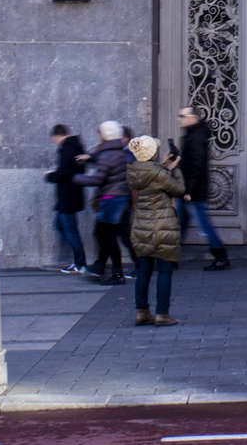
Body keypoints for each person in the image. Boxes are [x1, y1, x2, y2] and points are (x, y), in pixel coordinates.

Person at [126, 135, 185, 326]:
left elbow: (152, 178)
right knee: (165, 271)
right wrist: (174, 170)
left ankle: (141, 312)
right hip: (162, 227)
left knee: (144, 270)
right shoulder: (160, 174)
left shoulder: (135, 171)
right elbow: (178, 189)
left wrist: (163, 166)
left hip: (142, 227)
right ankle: (162, 314)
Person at [74, 120, 132, 285]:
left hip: (111, 200)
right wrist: (90, 157)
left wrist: (76, 178)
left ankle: (117, 273)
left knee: (108, 237)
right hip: (119, 198)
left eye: (99, 132)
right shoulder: (118, 151)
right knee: (103, 234)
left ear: (105, 135)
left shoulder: (107, 154)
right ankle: (102, 267)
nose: (98, 135)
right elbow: (102, 160)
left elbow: (99, 178)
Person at [177, 106, 229, 271]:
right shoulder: (192, 136)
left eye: (182, 116)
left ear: (192, 118)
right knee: (181, 222)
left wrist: (189, 191)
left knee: (203, 223)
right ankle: (170, 257)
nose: (179, 118)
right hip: (190, 187)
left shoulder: (196, 137)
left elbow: (196, 166)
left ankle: (221, 256)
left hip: (193, 189)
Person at [46, 125, 88, 274]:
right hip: (71, 195)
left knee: (70, 230)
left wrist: (50, 176)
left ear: (57, 136)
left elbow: (63, 172)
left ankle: (79, 262)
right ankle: (69, 258)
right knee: (61, 225)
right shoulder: (75, 147)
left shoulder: (67, 148)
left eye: (54, 139)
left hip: (68, 197)